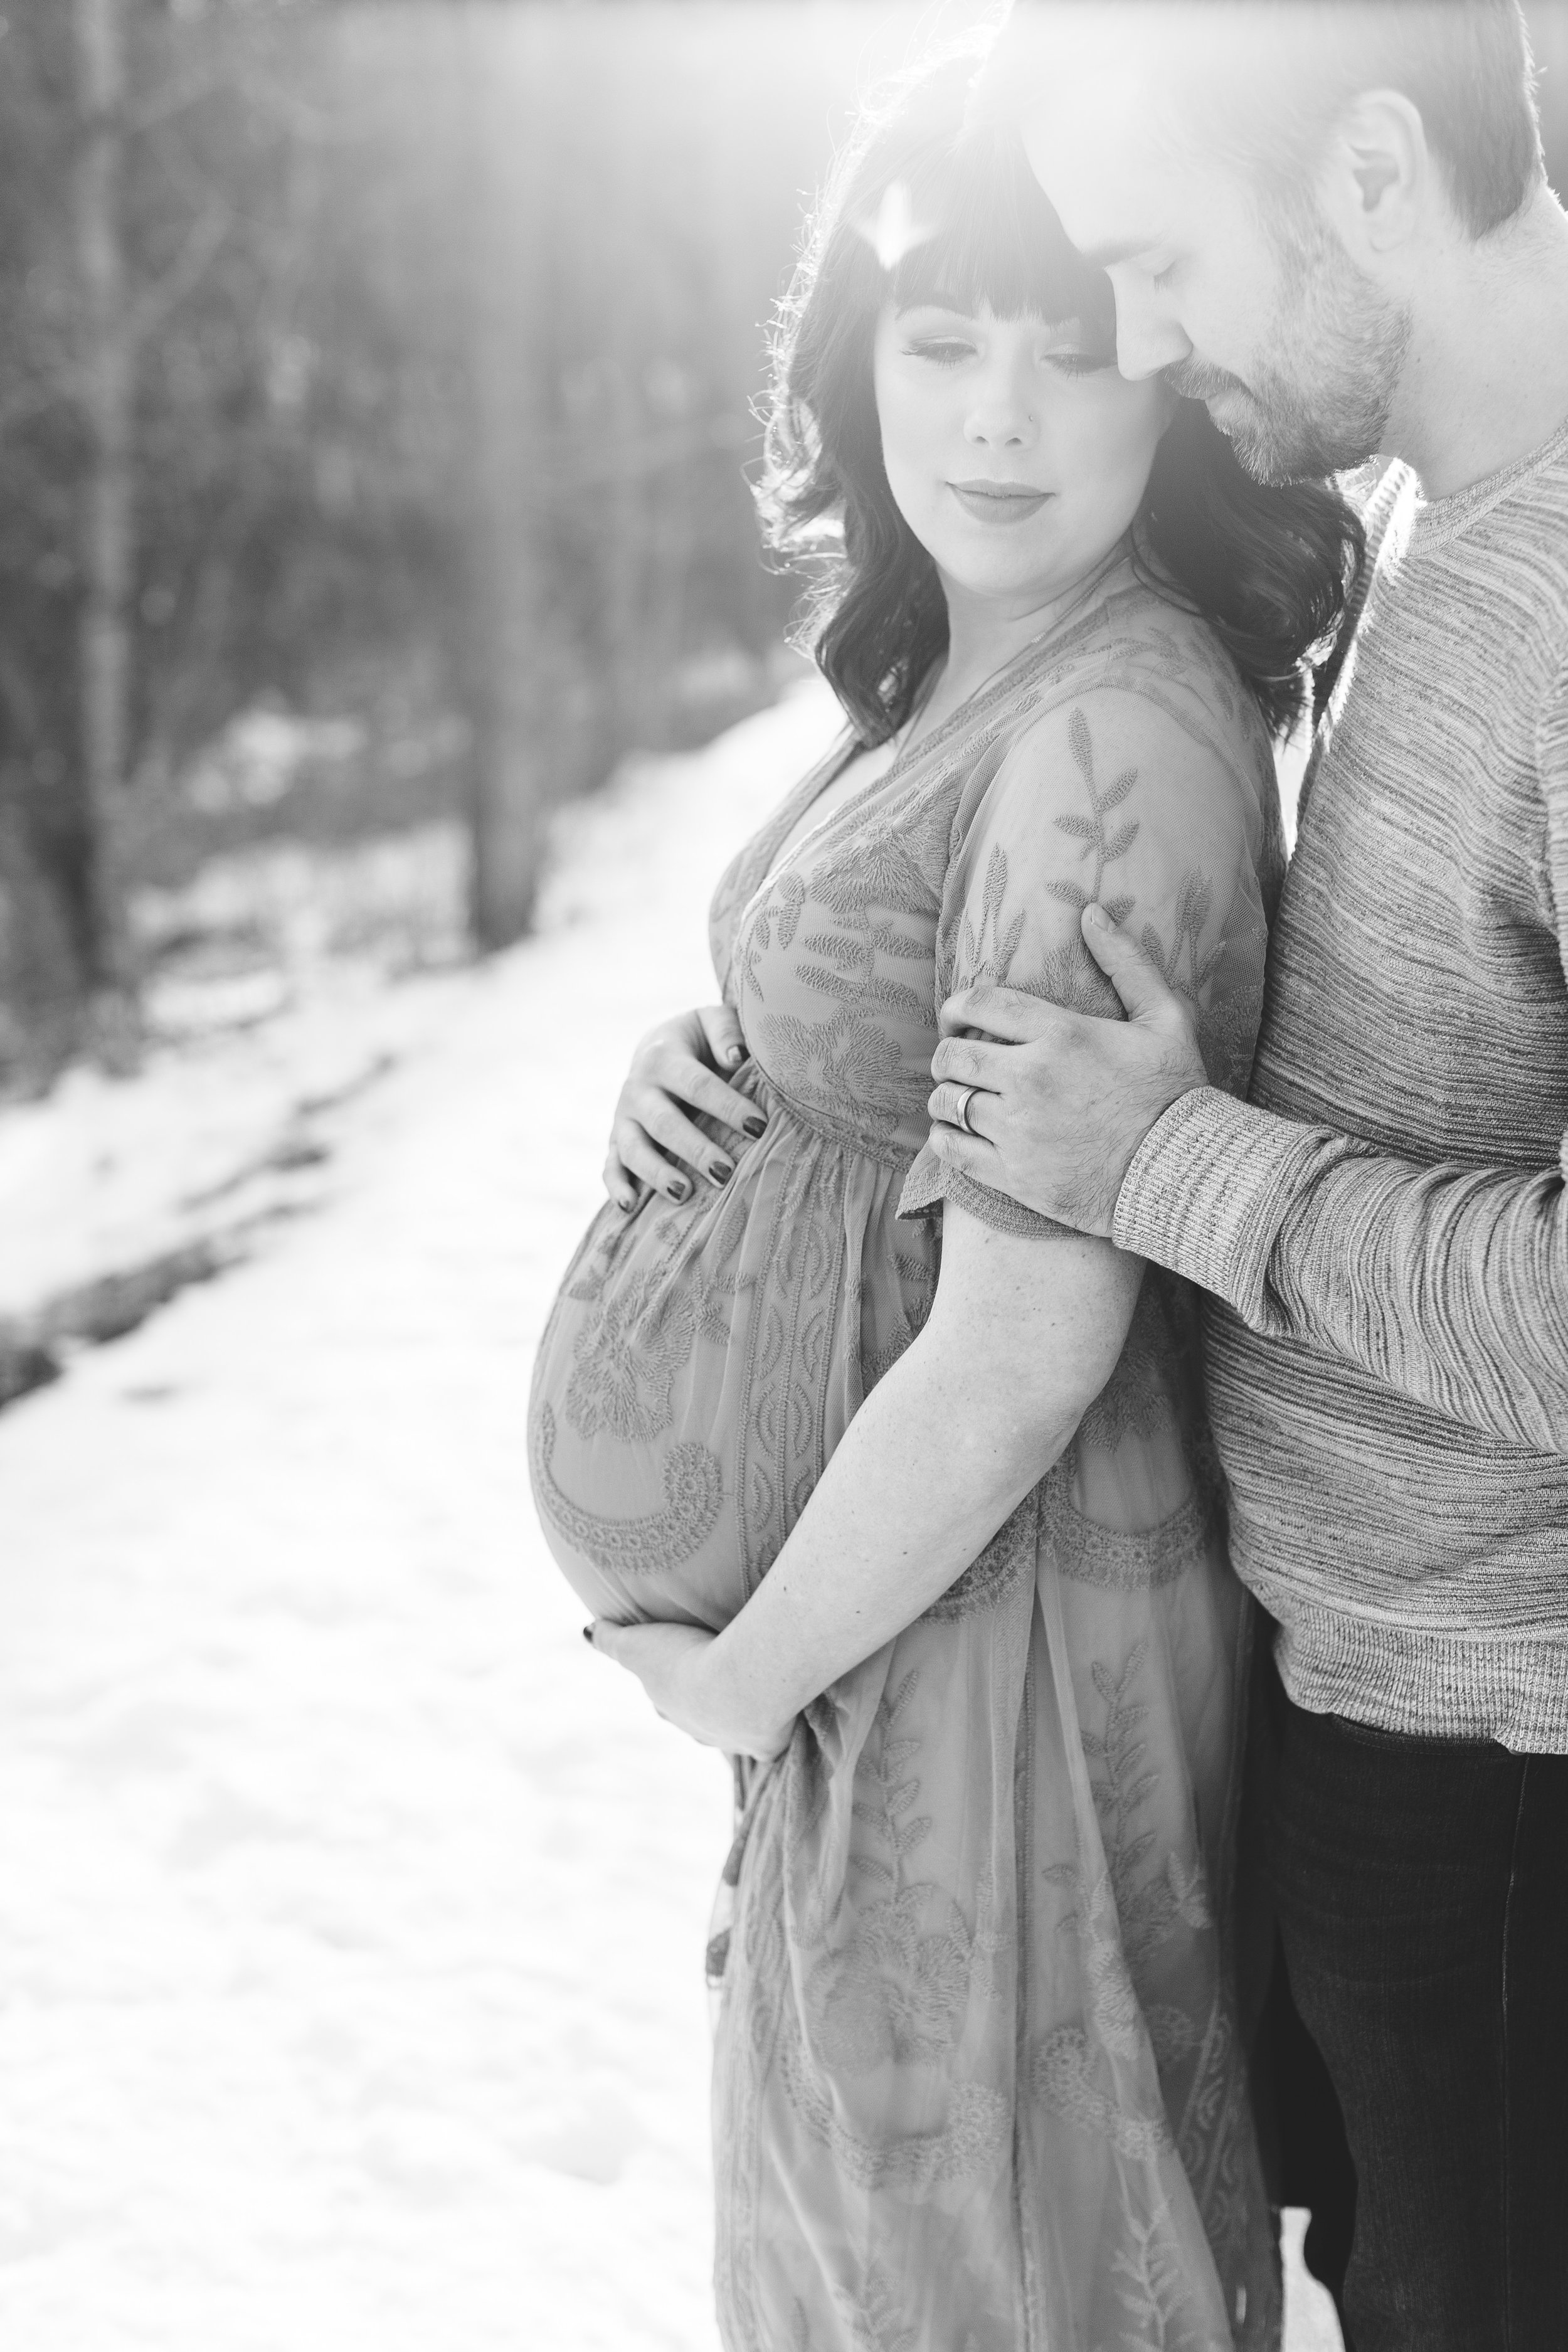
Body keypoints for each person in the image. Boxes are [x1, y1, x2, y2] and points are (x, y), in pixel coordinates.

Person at [529, 43, 1361, 2350]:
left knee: (987, 2275)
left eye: (1071, 345)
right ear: (856, 351)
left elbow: (1026, 1338)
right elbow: (876, 1052)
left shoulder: (1112, 730)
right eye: (938, 337)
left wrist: (746, 1688)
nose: (996, 417)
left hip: (989, 1637)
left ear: (1165, 380)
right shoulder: (979, 669)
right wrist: (701, 1074)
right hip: (896, 1641)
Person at [918, 6, 1568, 2348]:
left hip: (1511, 1783)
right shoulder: (1439, 508)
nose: (1143, 340)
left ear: (1373, 169)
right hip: (1373, 1725)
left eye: (1162, 259)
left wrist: (1173, 1164)